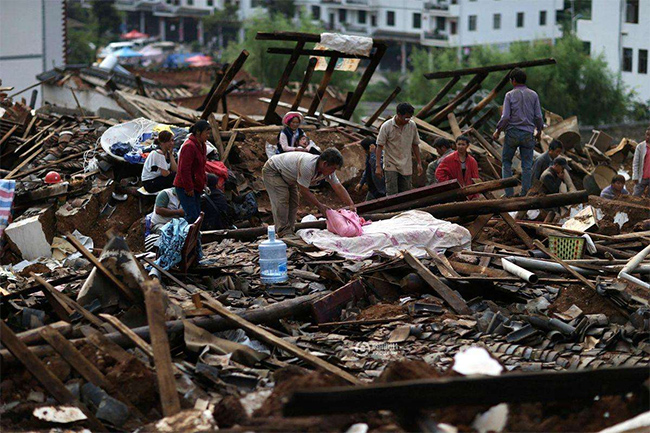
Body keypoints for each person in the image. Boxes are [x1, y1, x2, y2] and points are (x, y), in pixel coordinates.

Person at [262, 148, 355, 237]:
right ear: (325, 164)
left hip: (288, 175)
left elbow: (338, 186)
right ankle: (283, 231)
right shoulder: (308, 165)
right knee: (282, 199)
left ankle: (290, 230)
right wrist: (320, 206)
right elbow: (304, 191)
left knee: (293, 202)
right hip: (274, 170)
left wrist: (351, 204)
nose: (333, 172)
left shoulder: (328, 171)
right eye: (333, 168)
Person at [493, 68, 544, 197]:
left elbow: (505, 117)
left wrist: (498, 130)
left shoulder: (509, 95)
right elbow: (538, 116)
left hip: (512, 132)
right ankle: (524, 193)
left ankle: (509, 193)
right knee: (527, 166)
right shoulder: (533, 95)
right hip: (528, 133)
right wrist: (539, 131)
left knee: (506, 163)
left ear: (513, 81)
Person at [375, 102, 423, 196]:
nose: (407, 120)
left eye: (410, 117)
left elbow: (415, 144)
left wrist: (419, 162)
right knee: (392, 192)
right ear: (399, 115)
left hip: (406, 163)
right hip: (391, 163)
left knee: (406, 192)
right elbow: (379, 146)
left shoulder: (412, 125)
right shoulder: (386, 126)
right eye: (406, 117)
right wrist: (378, 166)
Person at [174, 119, 208, 224]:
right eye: (206, 132)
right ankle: (177, 233)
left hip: (196, 186)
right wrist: (188, 188)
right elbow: (184, 169)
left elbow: (201, 167)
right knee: (192, 217)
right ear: (198, 132)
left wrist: (204, 182)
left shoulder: (202, 146)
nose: (208, 135)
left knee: (197, 216)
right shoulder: (189, 146)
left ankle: (195, 239)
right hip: (185, 187)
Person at [144, 187, 185, 252]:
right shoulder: (166, 194)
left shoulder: (186, 196)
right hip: (160, 224)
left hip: (176, 225)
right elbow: (159, 210)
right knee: (169, 236)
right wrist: (178, 212)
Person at [632, 126, 650, 197]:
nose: (648, 137)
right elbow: (635, 163)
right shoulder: (640, 146)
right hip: (642, 176)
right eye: (647, 134)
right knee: (636, 196)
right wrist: (635, 176)